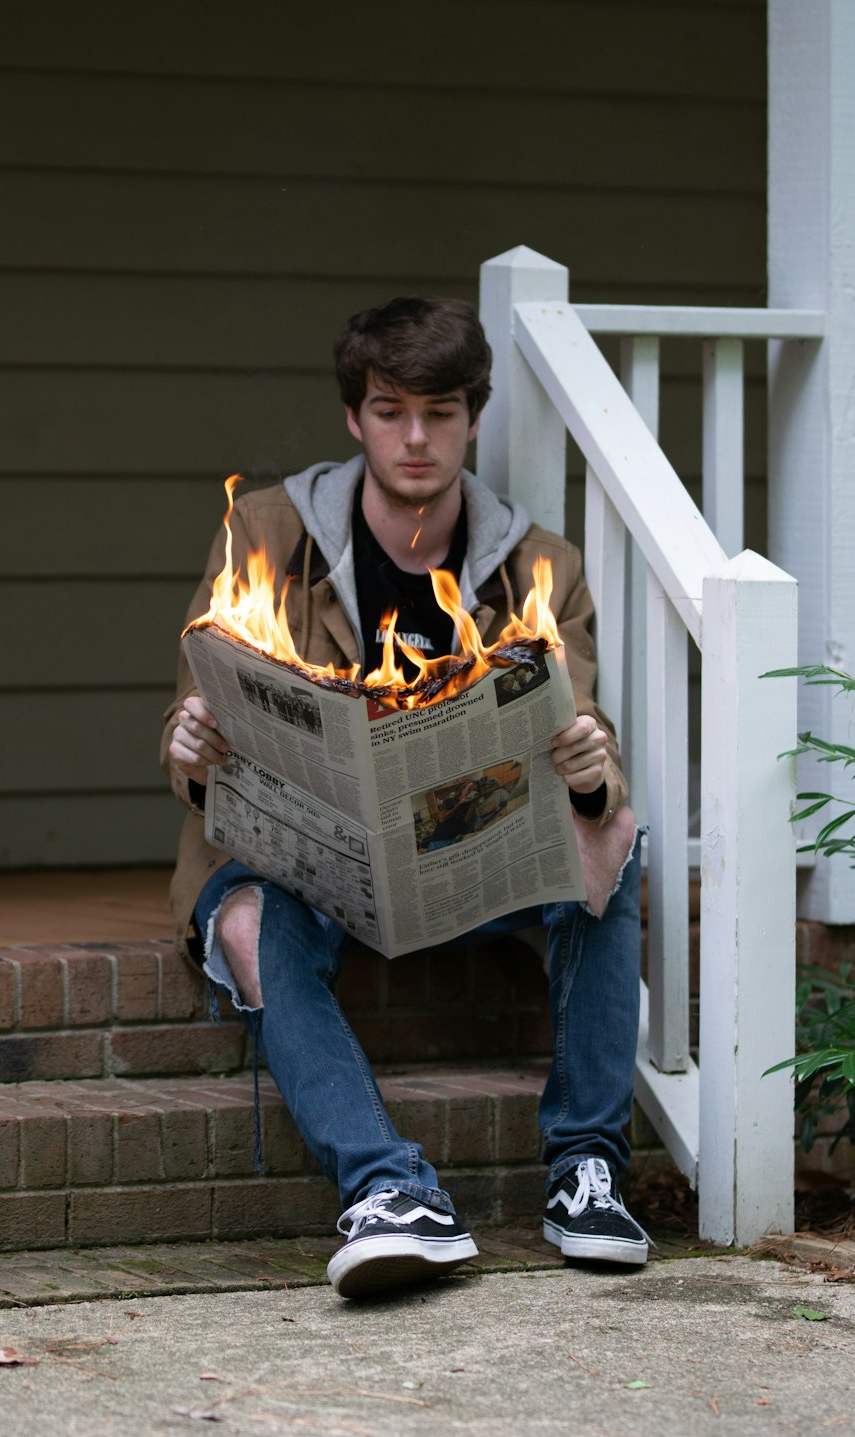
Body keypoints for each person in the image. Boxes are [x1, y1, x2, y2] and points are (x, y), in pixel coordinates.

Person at [161, 297, 648, 1299]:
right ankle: (393, 1193)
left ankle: (587, 1169)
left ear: (474, 415)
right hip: (307, 866)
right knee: (248, 918)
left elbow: (576, 740)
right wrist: (191, 746)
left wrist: (593, 776)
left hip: (467, 867)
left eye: (439, 411)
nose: (415, 437)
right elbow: (200, 723)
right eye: (389, 411)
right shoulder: (263, 533)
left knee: (615, 841)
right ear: (354, 417)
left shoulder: (538, 567)